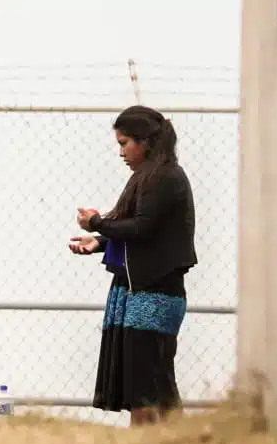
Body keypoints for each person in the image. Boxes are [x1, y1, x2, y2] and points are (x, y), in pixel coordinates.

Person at [69, 105, 196, 424]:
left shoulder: (164, 177)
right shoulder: (150, 176)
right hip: (140, 292)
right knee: (154, 384)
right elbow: (145, 233)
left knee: (148, 387)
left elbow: (141, 227)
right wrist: (100, 241)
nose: (121, 152)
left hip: (155, 294)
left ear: (146, 142)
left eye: (124, 144)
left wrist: (97, 223)